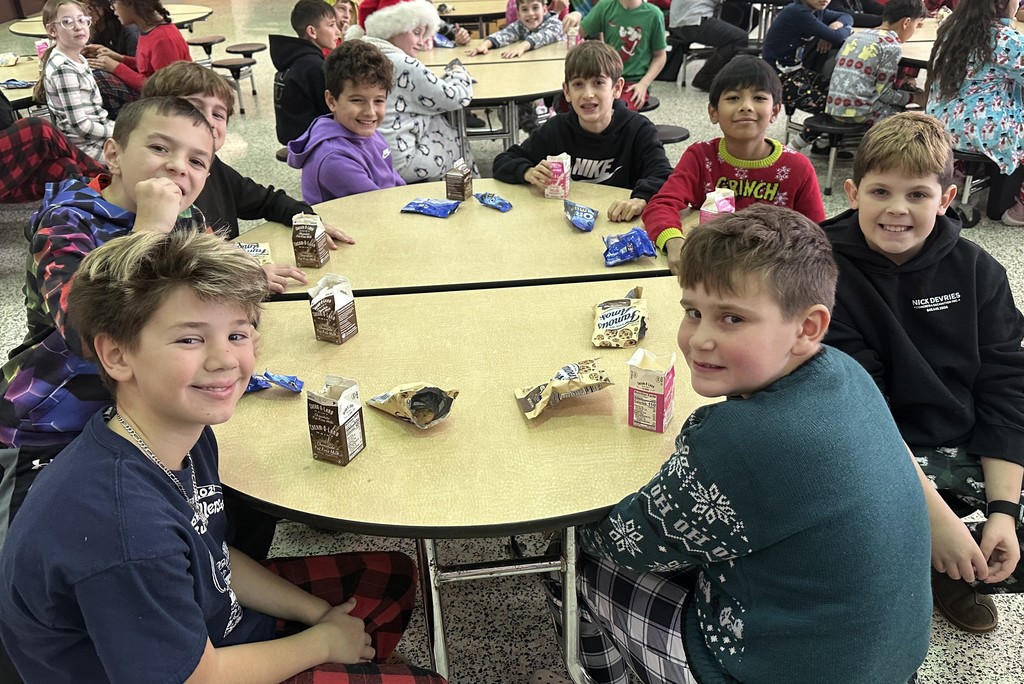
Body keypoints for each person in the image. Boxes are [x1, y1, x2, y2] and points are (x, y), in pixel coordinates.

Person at [0, 229, 446, 684]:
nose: (225, 360)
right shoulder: (125, 527)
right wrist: (323, 643)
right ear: (116, 355)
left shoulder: (183, 431)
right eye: (190, 340)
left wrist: (323, 617)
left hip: (213, 630)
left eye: (238, 333)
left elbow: (215, 557)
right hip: (190, 671)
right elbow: (196, 677)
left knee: (390, 577)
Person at [533, 203, 932, 684]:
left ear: (808, 327)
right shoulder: (846, 372)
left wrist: (570, 530)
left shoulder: (741, 440)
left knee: (571, 558)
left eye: (732, 319)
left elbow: (626, 542)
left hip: (772, 668)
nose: (699, 338)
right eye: (693, 312)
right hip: (886, 659)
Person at [822, 111, 1024, 635]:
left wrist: (1003, 509)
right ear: (852, 192)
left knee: (1005, 526)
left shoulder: (980, 271)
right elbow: (855, 409)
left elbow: (1005, 384)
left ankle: (947, 554)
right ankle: (928, 560)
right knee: (845, 511)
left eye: (917, 195)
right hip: (867, 438)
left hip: (958, 437)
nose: (896, 210)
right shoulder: (821, 271)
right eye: (880, 192)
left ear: (947, 198)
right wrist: (937, 521)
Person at [0, 96, 214, 555]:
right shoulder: (66, 220)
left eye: (196, 160)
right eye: (160, 148)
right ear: (113, 155)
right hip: (51, 424)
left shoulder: (190, 221)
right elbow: (85, 330)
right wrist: (151, 230)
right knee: (27, 557)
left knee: (205, 514)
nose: (178, 167)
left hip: (146, 414)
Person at [141, 61, 353, 289]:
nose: (208, 122)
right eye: (193, 108)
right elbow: (167, 283)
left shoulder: (215, 168)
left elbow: (268, 201)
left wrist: (306, 219)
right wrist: (245, 276)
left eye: (218, 114)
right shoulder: (150, 197)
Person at [641, 56, 825, 274]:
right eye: (733, 98)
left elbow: (817, 236)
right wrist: (674, 243)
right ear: (713, 112)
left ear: (775, 112)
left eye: (758, 97)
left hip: (772, 276)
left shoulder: (797, 168)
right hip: (710, 268)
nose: (746, 106)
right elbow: (661, 205)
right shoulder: (701, 156)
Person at [492, 40, 671, 222]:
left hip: (617, 224)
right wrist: (528, 172)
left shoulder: (638, 129)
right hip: (563, 222)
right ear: (567, 92)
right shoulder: (556, 128)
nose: (587, 94)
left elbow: (663, 175)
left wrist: (640, 199)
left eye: (598, 83)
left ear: (616, 88)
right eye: (578, 84)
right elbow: (503, 161)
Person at [348, 0, 474, 183]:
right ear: (391, 28)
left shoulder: (366, 53)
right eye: (416, 33)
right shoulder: (401, 63)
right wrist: (458, 73)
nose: (421, 42)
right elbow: (454, 98)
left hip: (370, 154)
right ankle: (468, 190)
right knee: (453, 136)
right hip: (401, 161)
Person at [926, 0, 1024, 225]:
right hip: (977, 129)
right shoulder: (1007, 40)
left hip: (940, 120)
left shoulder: (951, 27)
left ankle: (958, 177)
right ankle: (1020, 208)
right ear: (1001, 3)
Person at [288, 41, 405, 202]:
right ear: (331, 101)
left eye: (378, 101)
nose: (370, 112)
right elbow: (377, 207)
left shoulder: (364, 131)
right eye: (357, 100)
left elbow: (396, 183)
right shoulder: (333, 158)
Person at [36, 0, 114, 161]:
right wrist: (116, 131)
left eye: (82, 20)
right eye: (67, 22)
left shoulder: (76, 57)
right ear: (52, 30)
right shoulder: (64, 69)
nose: (78, 27)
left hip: (98, 135)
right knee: (140, 161)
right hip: (86, 147)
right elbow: (80, 126)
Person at [826, 0, 927, 125]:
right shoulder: (891, 46)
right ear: (906, 23)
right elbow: (885, 94)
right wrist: (916, 98)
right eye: (916, 25)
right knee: (908, 119)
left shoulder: (856, 36)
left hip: (834, 108)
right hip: (860, 113)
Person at [762, 0, 853, 129]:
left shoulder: (817, 11)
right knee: (832, 109)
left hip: (796, 71)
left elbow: (847, 17)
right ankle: (799, 144)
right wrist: (839, 31)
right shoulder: (798, 12)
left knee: (841, 97)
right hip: (777, 78)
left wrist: (834, 26)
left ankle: (825, 141)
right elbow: (837, 37)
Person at [562, 0, 667, 110]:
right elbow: (578, 32)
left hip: (633, 83)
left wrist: (643, 85)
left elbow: (660, 56)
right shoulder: (605, 6)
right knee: (568, 105)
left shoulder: (654, 15)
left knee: (617, 113)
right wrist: (576, 15)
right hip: (603, 78)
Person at [271, 0, 340, 145]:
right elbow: (333, 110)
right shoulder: (314, 66)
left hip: (290, 134)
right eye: (331, 25)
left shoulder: (291, 57)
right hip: (310, 139)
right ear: (312, 32)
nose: (337, 32)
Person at [85, 0, 191, 93]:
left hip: (169, 102)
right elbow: (147, 68)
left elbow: (163, 88)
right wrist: (119, 58)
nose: (113, 9)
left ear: (130, 3)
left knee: (101, 79)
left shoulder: (163, 39)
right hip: (154, 95)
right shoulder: (148, 30)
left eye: (114, 2)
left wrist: (116, 68)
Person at [0, 114, 106, 204]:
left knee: (65, 168)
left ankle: (94, 215)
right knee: (38, 128)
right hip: (88, 139)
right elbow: (5, 117)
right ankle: (105, 180)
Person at [666, 0, 749, 91]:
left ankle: (726, 69)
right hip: (693, 20)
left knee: (747, 12)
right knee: (739, 38)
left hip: (680, 19)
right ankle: (705, 77)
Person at [465, 0, 564, 59]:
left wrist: (522, 46)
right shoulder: (520, 25)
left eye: (535, 8)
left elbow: (542, 37)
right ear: (519, 15)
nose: (530, 13)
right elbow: (505, 34)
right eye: (525, 9)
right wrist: (485, 44)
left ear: (544, 10)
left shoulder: (555, 24)